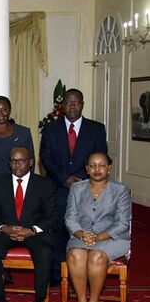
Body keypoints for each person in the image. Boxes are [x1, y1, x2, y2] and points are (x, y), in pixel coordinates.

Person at [0, 147, 59, 302]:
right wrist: (5, 228)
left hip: (34, 233)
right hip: (5, 232)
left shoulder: (44, 184)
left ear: (30, 162)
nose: (17, 165)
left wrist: (31, 230)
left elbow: (53, 217)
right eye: (13, 161)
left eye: (21, 161)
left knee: (45, 252)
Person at [40, 88, 107, 285]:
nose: (72, 106)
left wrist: (82, 179)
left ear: (82, 105)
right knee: (58, 231)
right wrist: (65, 179)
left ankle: (81, 275)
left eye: (76, 102)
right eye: (68, 102)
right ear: (62, 106)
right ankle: (55, 275)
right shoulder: (51, 129)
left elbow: (100, 158)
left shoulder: (96, 129)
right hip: (58, 188)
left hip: (86, 189)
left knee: (84, 231)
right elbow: (46, 158)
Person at [65, 152, 131, 302]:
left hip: (113, 238)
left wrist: (98, 237)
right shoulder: (76, 188)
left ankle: (94, 301)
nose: (97, 169)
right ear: (86, 169)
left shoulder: (120, 190)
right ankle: (81, 301)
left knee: (97, 255)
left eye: (101, 165)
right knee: (76, 254)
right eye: (92, 165)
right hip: (82, 235)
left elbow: (123, 223)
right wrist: (81, 234)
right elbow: (70, 218)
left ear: (109, 168)